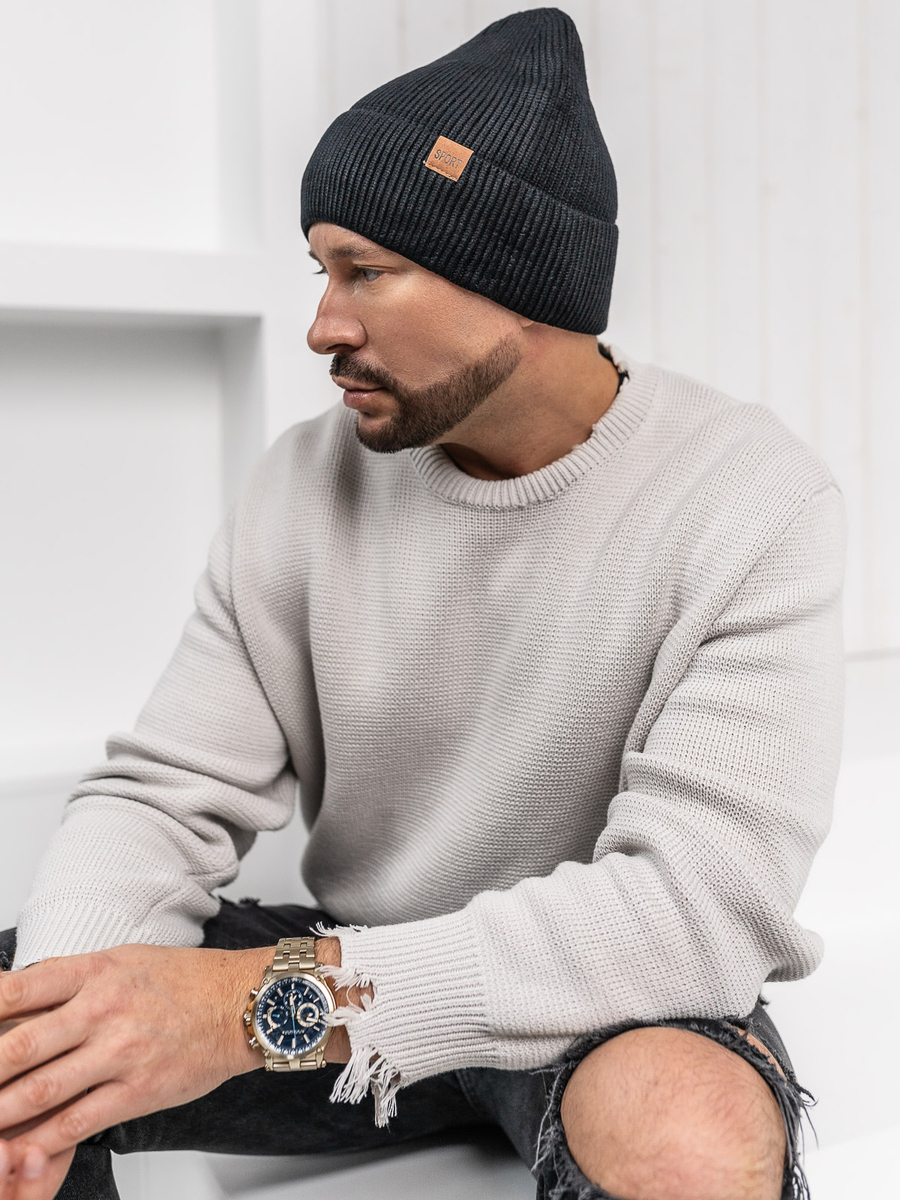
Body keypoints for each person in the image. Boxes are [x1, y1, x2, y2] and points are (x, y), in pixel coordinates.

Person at [0, 8, 844, 1200]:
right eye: (321, 271)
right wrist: (51, 1052)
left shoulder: (748, 497)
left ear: (522, 285)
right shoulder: (303, 483)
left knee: (688, 1130)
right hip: (353, 967)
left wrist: (252, 1007)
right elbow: (162, 797)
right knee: (22, 1032)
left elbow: (692, 912)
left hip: (595, 998)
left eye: (367, 272)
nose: (323, 325)